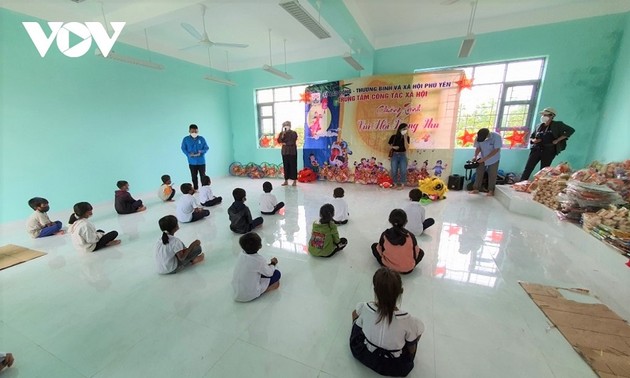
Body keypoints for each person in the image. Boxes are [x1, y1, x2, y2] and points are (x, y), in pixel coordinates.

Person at [350, 267, 424, 377]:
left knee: (357, 315)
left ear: (375, 290)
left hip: (363, 355)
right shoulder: (408, 320)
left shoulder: (365, 307)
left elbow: (354, 314)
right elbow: (411, 348)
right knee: (417, 331)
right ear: (400, 292)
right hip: (394, 367)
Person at [520, 107, 575, 181]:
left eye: (545, 115)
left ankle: (540, 186)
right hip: (536, 149)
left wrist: (558, 140)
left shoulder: (557, 125)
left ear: (552, 116)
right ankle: (521, 183)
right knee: (528, 168)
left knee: (544, 170)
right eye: (542, 115)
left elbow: (571, 130)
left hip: (549, 150)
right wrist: (534, 141)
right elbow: (531, 137)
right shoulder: (539, 126)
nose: (543, 116)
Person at [371, 209, 424, 274]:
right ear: (406, 221)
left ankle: (390, 263)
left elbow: (380, 250)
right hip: (407, 270)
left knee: (374, 246)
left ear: (390, 221)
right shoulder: (410, 236)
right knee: (421, 252)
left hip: (388, 267)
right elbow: (416, 253)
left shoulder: (385, 235)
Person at [231, 232, 280, 302]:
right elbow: (269, 273)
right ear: (260, 246)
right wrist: (273, 263)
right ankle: (267, 289)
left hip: (236, 290)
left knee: (259, 271)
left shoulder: (241, 254)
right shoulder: (259, 260)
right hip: (250, 295)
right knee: (277, 273)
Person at [468, 128, 503, 196]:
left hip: (493, 158)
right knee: (479, 172)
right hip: (481, 157)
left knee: (492, 174)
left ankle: (491, 190)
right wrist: (475, 156)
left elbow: (496, 150)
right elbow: (478, 148)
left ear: (487, 135)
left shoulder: (496, 137)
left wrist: (485, 159)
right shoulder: (478, 137)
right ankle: (476, 189)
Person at [181, 124, 209, 190]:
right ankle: (195, 188)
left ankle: (204, 188)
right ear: (189, 131)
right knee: (194, 176)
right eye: (192, 131)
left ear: (198, 131)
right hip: (192, 162)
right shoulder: (186, 139)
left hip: (201, 161)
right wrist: (188, 154)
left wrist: (201, 151)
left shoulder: (201, 139)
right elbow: (183, 148)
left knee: (203, 175)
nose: (194, 133)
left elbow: (206, 147)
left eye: (196, 131)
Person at [388, 123, 411, 189]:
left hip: (403, 155)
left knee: (403, 170)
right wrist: (393, 147)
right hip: (395, 155)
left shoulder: (407, 137)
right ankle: (395, 184)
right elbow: (389, 145)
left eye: (407, 129)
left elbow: (407, 147)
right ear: (400, 129)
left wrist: (405, 137)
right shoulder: (394, 136)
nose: (406, 130)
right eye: (404, 129)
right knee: (394, 170)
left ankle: (402, 185)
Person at [278, 120, 298, 186]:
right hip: (284, 152)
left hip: (292, 152)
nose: (286, 127)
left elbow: (292, 141)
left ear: (290, 126)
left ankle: (294, 181)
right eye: (284, 126)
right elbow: (279, 140)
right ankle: (286, 180)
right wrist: (283, 134)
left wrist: (285, 143)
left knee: (293, 166)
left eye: (287, 125)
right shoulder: (282, 133)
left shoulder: (293, 133)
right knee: (285, 166)